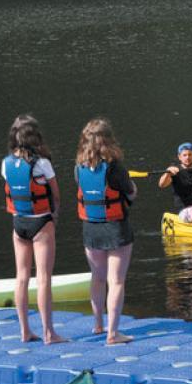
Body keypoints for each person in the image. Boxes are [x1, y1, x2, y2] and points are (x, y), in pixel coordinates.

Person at [1, 115, 66, 344]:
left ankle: (24, 331)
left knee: (21, 278)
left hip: (19, 224)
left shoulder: (5, 163)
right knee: (44, 279)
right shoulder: (42, 164)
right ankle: (49, 333)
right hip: (40, 223)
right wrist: (54, 217)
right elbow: (56, 195)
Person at [75, 118, 137, 345]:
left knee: (98, 278)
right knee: (116, 281)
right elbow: (130, 194)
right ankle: (113, 333)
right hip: (116, 229)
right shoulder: (115, 168)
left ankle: (98, 324)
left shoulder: (78, 168)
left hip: (91, 229)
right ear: (108, 140)